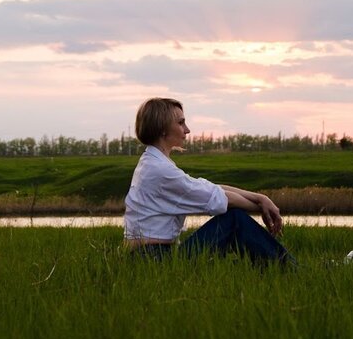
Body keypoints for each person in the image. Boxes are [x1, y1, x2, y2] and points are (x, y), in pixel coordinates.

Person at [124, 97, 294, 266]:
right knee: (234, 219)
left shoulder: (153, 162)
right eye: (181, 123)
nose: (187, 129)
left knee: (232, 259)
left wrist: (260, 198)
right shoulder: (160, 170)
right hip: (154, 259)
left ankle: (276, 268)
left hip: (151, 256)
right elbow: (221, 198)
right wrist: (261, 208)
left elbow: (209, 188)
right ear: (162, 128)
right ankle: (290, 269)